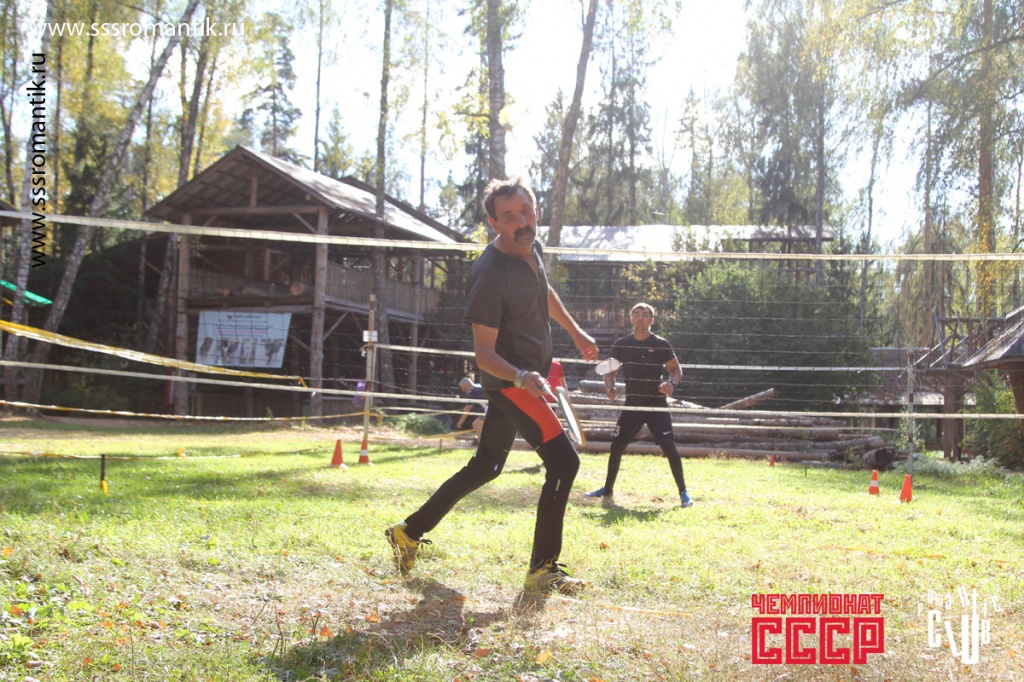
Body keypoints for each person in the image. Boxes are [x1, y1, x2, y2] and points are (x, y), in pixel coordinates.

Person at [386, 176, 599, 594]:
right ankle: (543, 569)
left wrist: (576, 333)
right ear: (493, 223)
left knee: (487, 465)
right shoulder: (489, 273)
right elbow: (483, 354)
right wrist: (521, 376)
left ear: (535, 209)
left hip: (525, 379)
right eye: (509, 216)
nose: (521, 222)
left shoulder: (531, 245)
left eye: (526, 211)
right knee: (564, 463)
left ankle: (407, 533)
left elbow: (543, 291)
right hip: (511, 384)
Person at [585, 302, 693, 508]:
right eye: (637, 314)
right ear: (631, 318)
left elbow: (676, 370)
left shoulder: (660, 344)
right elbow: (610, 372)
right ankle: (607, 489)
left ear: (652, 320)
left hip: (656, 404)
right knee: (617, 446)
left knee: (668, 446)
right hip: (632, 404)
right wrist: (609, 387)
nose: (641, 318)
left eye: (645, 315)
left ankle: (683, 493)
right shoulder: (622, 344)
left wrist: (671, 383)